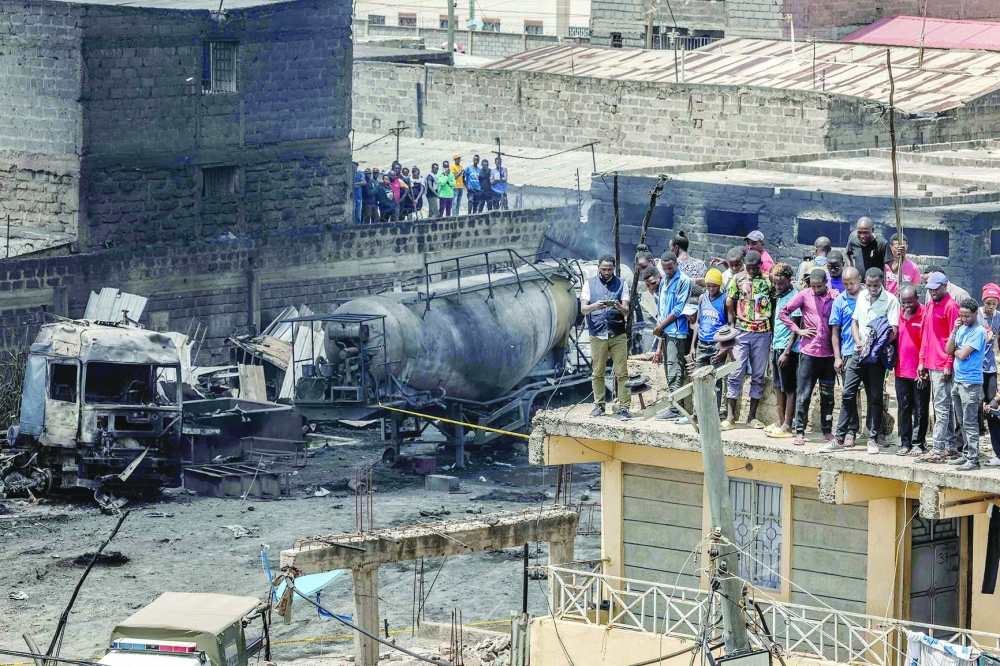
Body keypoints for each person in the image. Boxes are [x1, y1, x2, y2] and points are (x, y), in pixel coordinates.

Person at [828, 268, 899, 455]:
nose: (872, 289)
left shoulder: (891, 300)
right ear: (865, 282)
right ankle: (839, 437)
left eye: (876, 285)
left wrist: (876, 344)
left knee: (875, 397)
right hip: (859, 352)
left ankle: (872, 438)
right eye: (869, 285)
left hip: (876, 355)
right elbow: (854, 323)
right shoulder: (862, 297)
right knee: (847, 393)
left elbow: (893, 331)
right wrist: (859, 343)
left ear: (881, 282)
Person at [780, 268, 839, 446]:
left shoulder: (835, 296)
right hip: (808, 353)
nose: (815, 289)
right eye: (813, 286)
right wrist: (798, 330)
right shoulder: (805, 295)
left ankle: (827, 430)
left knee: (827, 395)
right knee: (804, 394)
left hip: (828, 355)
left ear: (825, 284)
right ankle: (800, 431)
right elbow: (783, 312)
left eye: (819, 286)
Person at [722, 250, 773, 430]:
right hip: (742, 332)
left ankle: (752, 417)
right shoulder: (737, 278)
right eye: (748, 268)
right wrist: (731, 326)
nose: (751, 271)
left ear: (760, 265)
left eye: (754, 268)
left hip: (762, 332)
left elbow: (773, 304)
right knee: (735, 373)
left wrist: (771, 331)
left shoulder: (768, 280)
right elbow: (729, 301)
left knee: (758, 376)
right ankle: (730, 417)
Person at [916, 271, 963, 463]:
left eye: (936, 289)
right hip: (931, 361)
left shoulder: (951, 307)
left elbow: (955, 339)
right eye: (930, 289)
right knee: (944, 407)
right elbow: (926, 334)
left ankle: (937, 448)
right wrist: (922, 361)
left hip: (943, 363)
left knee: (941, 408)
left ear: (945, 286)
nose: (933, 292)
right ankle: (950, 446)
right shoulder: (930, 304)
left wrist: (948, 365)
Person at [582, 254, 632, 420]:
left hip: (617, 333)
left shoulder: (622, 284)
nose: (607, 272)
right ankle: (599, 405)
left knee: (621, 372)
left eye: (609, 269)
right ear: (598, 268)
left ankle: (624, 407)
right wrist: (594, 306)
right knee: (598, 372)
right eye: (603, 269)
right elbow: (583, 309)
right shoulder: (589, 284)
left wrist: (619, 307)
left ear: (614, 268)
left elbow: (626, 311)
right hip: (597, 333)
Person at [946, 298, 989, 471]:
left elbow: (963, 355)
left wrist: (957, 351)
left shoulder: (979, 332)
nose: (963, 319)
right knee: (962, 421)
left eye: (966, 316)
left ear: (975, 313)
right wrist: (954, 331)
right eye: (961, 316)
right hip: (958, 381)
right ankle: (965, 454)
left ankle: (973, 459)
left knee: (970, 422)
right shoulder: (961, 329)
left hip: (971, 383)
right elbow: (949, 350)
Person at [825, 267, 863, 450]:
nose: (848, 286)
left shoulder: (868, 297)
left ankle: (875, 433)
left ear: (859, 279)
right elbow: (835, 332)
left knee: (874, 395)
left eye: (852, 283)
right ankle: (850, 431)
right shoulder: (840, 300)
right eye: (845, 283)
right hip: (848, 352)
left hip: (870, 353)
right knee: (850, 395)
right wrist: (837, 357)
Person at [652, 251, 692, 421]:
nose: (667, 270)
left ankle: (676, 408)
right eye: (664, 268)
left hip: (677, 332)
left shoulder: (684, 281)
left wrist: (661, 326)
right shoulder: (664, 281)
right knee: (669, 370)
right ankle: (675, 406)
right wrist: (660, 330)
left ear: (676, 264)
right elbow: (661, 308)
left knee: (675, 371)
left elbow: (678, 309)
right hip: (666, 332)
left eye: (670, 267)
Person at [894, 283, 930, 456]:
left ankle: (918, 443)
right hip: (901, 370)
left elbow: (927, 342)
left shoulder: (924, 314)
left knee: (921, 408)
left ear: (917, 299)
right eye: (904, 302)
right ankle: (905, 442)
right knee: (903, 408)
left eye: (910, 302)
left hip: (919, 371)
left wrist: (924, 368)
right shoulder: (897, 313)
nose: (907, 306)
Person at [768, 264, 800, 439]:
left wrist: (787, 351)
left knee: (789, 387)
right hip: (777, 345)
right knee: (777, 385)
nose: (777, 286)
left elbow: (795, 328)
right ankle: (780, 422)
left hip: (788, 349)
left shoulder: (795, 298)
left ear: (789, 280)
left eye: (781, 283)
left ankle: (788, 425)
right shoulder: (779, 296)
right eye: (775, 283)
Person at [981, 284, 1000, 466]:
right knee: (970, 408)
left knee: (993, 409)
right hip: (973, 370)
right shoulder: (975, 315)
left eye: (994, 304)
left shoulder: (999, 318)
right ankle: (965, 449)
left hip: (991, 369)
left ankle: (998, 453)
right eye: (988, 303)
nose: (991, 307)